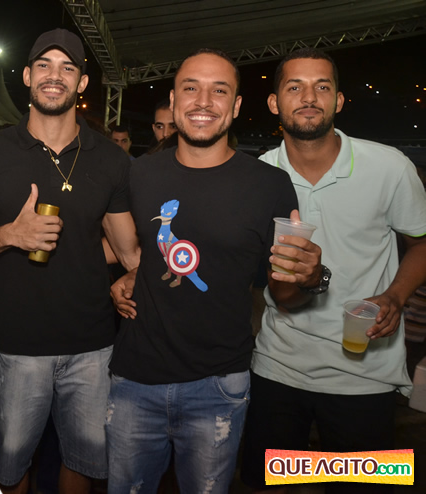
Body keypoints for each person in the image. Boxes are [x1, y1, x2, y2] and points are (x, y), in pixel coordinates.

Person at [0, 28, 140, 494]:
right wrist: (11, 234)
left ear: (82, 83)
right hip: (20, 345)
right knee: (14, 467)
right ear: (28, 76)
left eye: (67, 67)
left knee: (84, 462)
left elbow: (128, 249)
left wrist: (138, 272)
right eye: (45, 65)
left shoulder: (111, 159)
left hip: (93, 344)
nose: (55, 76)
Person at [106, 49, 305, 494]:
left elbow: (284, 292)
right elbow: (126, 247)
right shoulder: (137, 175)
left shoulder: (269, 184)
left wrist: (308, 277)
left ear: (236, 106)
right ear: (173, 102)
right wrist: (127, 275)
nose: (203, 101)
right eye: (191, 88)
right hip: (135, 379)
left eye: (219, 91)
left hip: (219, 385)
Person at [240, 48, 426, 494]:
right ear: (274, 103)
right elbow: (267, 285)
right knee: (267, 485)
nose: (309, 97)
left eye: (322, 86)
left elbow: (421, 243)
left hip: (366, 376)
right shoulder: (256, 175)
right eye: (295, 87)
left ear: (339, 100)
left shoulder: (390, 167)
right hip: (278, 370)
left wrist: (395, 296)